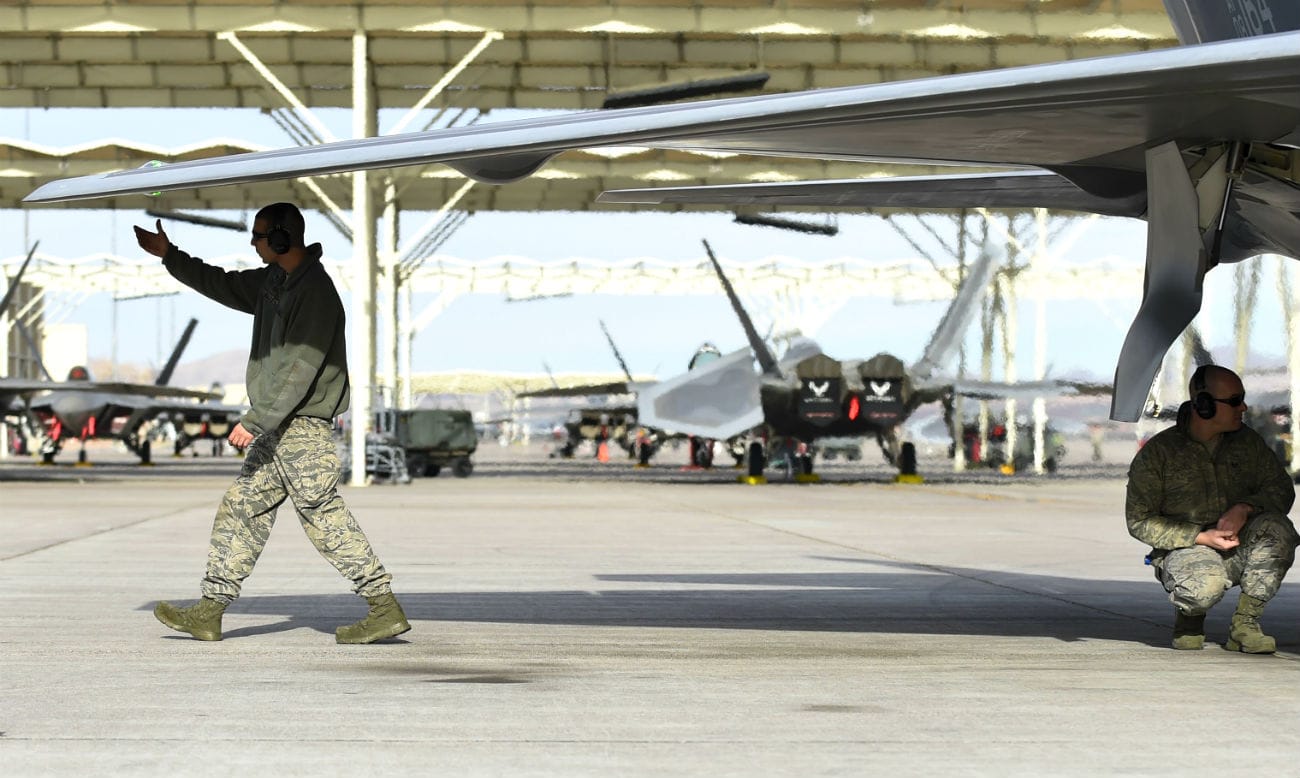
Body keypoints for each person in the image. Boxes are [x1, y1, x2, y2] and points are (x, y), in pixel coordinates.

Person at [133, 203, 410, 644]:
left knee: (323, 515)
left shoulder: (314, 292)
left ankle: (383, 606)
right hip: (279, 428)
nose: (254, 244)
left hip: (300, 428)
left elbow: (300, 367)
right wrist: (170, 254)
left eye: (259, 237)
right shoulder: (273, 283)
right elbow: (220, 283)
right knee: (243, 508)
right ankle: (210, 610)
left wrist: (256, 420)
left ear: (282, 239)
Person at [1126, 364, 1297, 652]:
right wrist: (1199, 536)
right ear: (1203, 405)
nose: (1242, 407)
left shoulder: (1248, 443)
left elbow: (1281, 489)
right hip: (1188, 549)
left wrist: (1245, 507)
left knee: (1278, 531)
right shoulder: (1159, 453)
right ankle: (1190, 617)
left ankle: (1245, 624)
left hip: (1239, 543)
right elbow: (1139, 521)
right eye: (1233, 401)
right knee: (1202, 591)